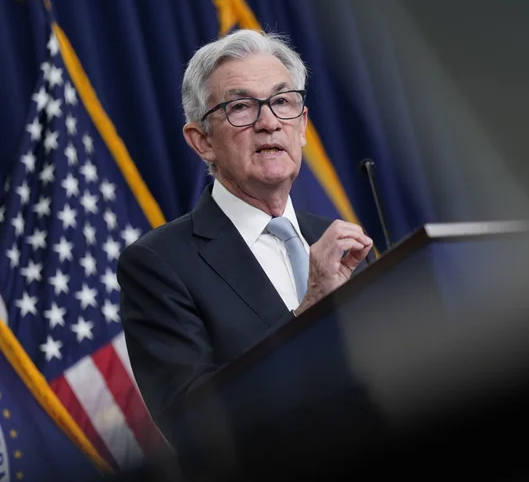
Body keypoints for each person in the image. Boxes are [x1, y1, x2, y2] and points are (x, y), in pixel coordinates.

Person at [116, 29, 375, 440]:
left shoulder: (340, 243)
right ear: (201, 141)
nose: (269, 122)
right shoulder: (159, 264)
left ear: (303, 125)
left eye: (283, 101)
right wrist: (310, 309)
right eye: (240, 107)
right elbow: (195, 425)